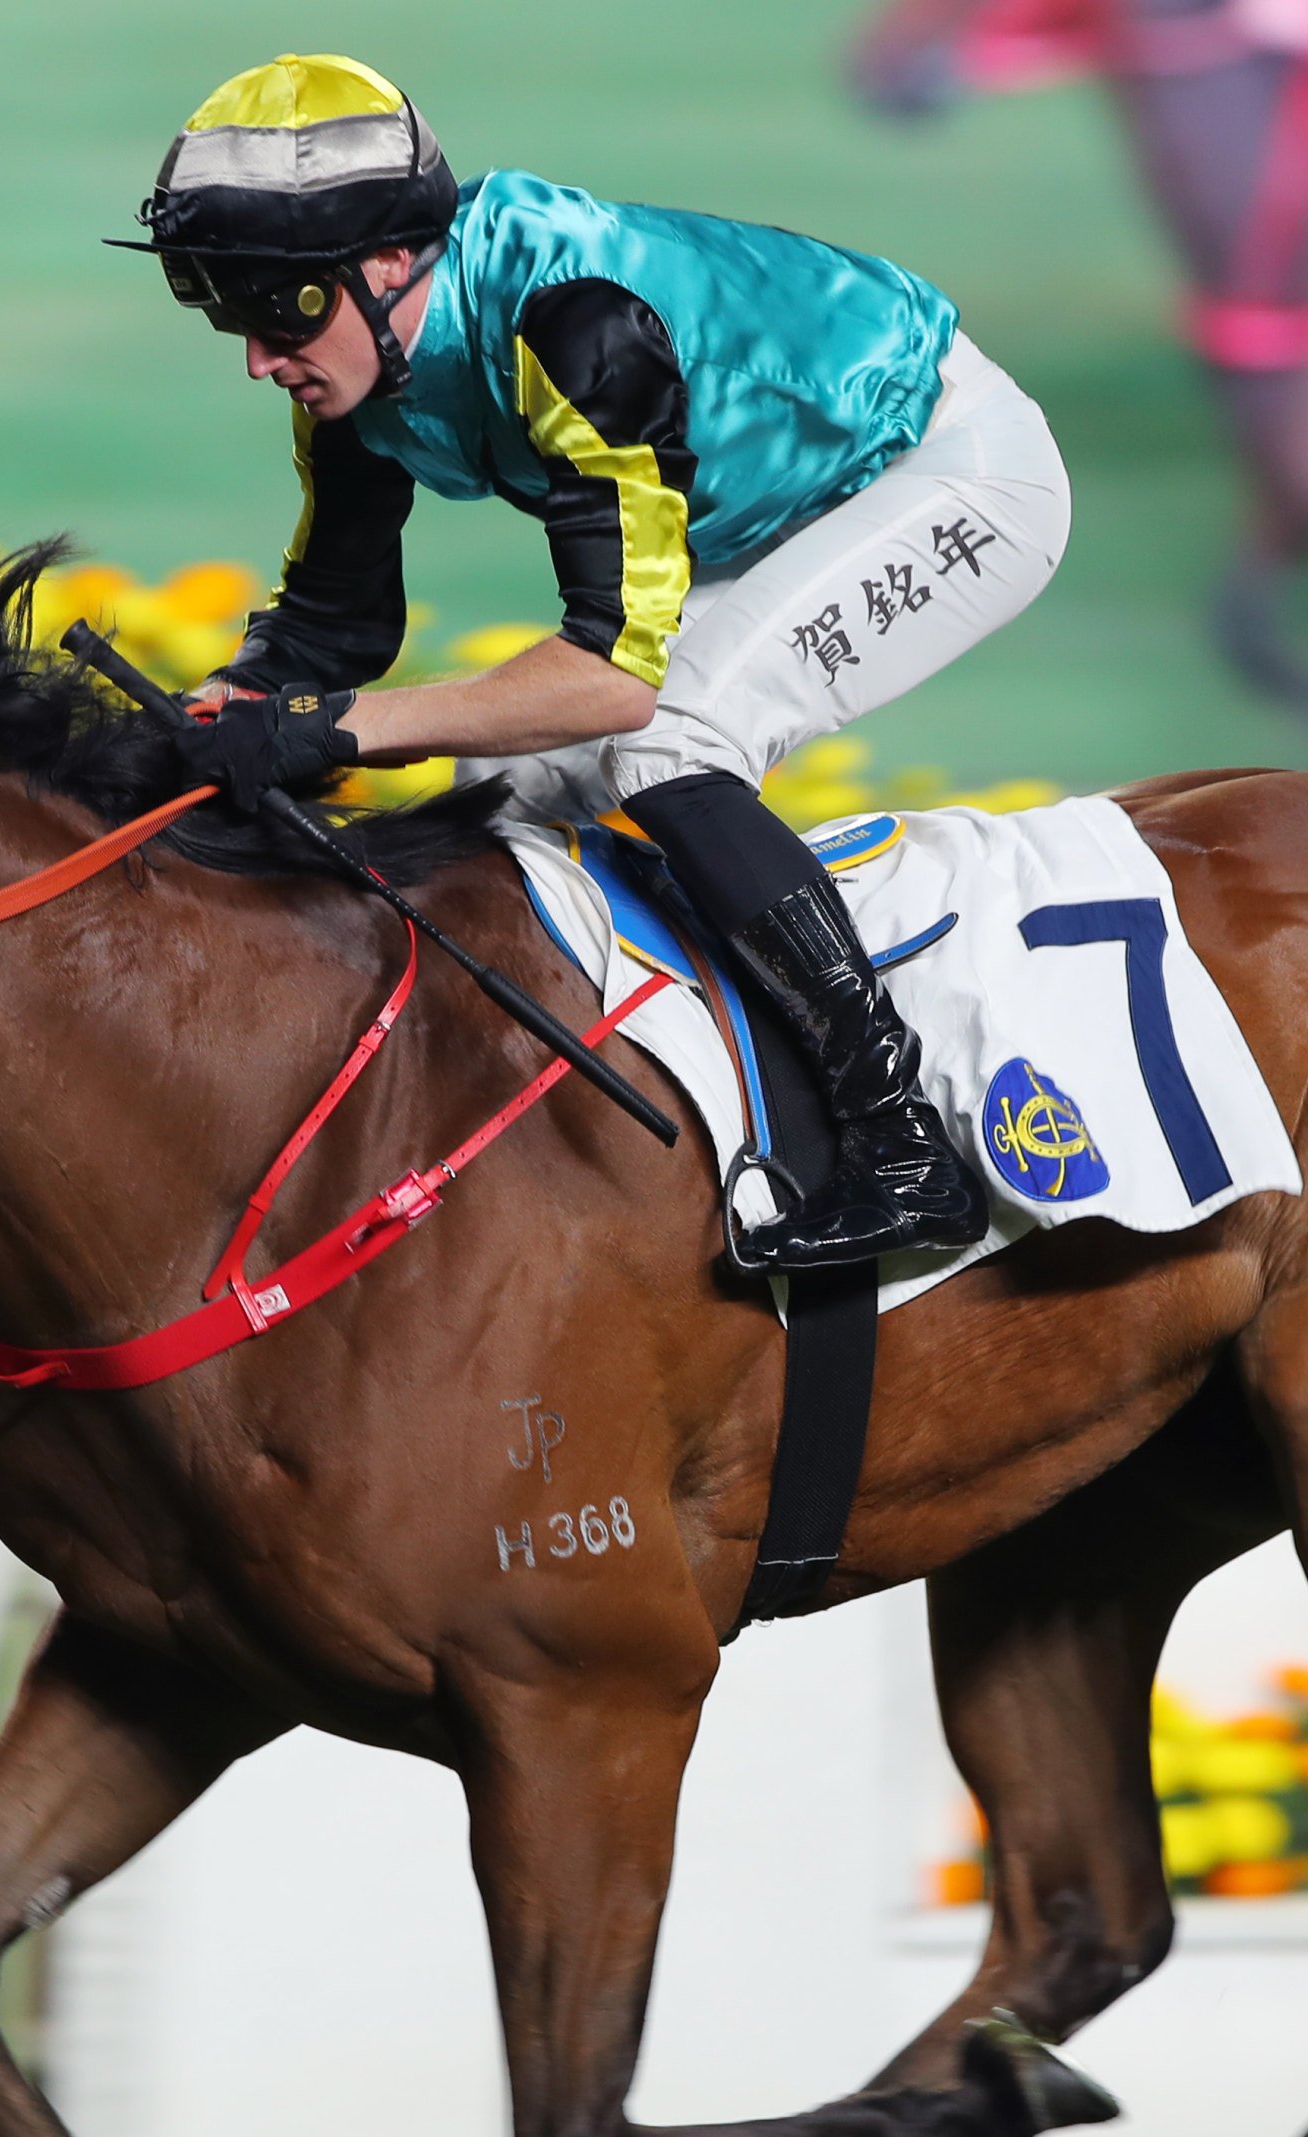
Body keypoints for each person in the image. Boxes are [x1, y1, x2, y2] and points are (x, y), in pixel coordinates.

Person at [115, 54, 1072, 1272]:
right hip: (756, 513)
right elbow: (331, 633)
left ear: (390, 261)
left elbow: (609, 683)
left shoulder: (576, 327)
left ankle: (902, 1142)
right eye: (227, 313)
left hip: (943, 470)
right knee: (502, 807)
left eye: (280, 311)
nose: (259, 358)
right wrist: (209, 721)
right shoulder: (351, 364)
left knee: (665, 744)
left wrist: (321, 732)